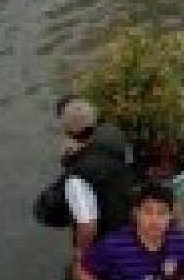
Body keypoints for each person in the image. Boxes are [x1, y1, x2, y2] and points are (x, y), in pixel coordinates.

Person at [75, 183, 184, 280]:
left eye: (162, 213)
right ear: (136, 213)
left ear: (171, 216)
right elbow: (82, 272)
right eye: (148, 211)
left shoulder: (180, 242)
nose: (154, 220)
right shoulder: (113, 244)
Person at [59, 98, 137, 256]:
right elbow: (129, 165)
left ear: (67, 130)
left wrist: (81, 252)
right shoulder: (115, 133)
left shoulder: (77, 176)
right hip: (129, 224)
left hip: (106, 243)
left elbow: (88, 227)